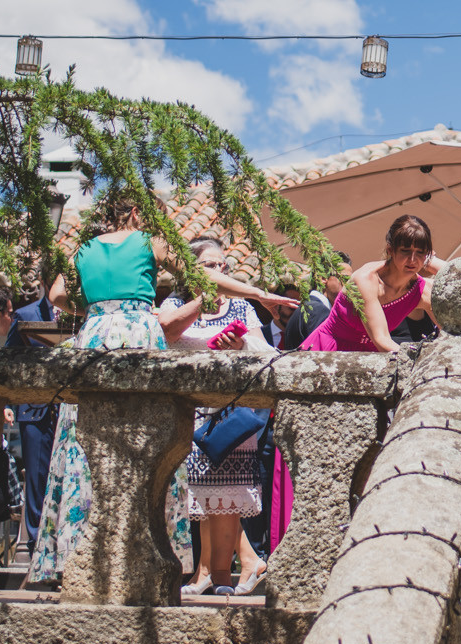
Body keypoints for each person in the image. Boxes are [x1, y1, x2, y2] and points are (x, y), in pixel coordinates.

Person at [28, 194, 293, 588]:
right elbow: (204, 279)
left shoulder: (84, 248)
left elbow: (56, 297)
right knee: (146, 444)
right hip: (138, 335)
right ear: (138, 213)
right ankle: (143, 552)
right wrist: (257, 293)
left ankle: (78, 549)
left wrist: (100, 311)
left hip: (94, 337)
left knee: (84, 444)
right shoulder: (148, 242)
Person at [164, 238, 274, 596]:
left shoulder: (241, 307)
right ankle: (220, 568)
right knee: (199, 493)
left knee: (225, 496)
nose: (219, 271)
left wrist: (241, 346)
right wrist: (203, 300)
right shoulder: (175, 303)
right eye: (210, 265)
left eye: (222, 265)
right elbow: (165, 335)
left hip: (230, 416)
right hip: (188, 413)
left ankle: (218, 576)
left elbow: (265, 351)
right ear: (190, 269)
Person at [300, 217, 444, 352]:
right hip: (326, 352)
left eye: (420, 252)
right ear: (390, 250)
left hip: (369, 358)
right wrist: (418, 363)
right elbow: (381, 339)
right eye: (405, 251)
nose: (412, 259)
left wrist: (430, 262)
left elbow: (453, 327)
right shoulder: (365, 279)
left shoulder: (422, 290)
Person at [7, 257, 61, 548]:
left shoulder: (85, 314)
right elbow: (9, 361)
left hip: (73, 411)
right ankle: (35, 548)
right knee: (37, 481)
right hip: (35, 411)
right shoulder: (25, 314)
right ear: (45, 283)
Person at [283, 252, 350, 346]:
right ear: (323, 278)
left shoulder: (311, 307)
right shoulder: (317, 310)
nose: (349, 285)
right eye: (345, 279)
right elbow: (324, 350)